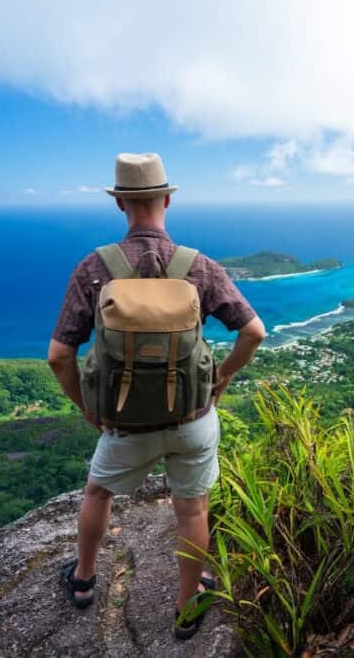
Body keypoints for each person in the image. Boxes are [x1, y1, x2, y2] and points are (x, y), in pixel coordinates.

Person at [46, 152, 266, 639]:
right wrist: (223, 377)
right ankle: (187, 607)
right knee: (192, 509)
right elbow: (254, 332)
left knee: (98, 492)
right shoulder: (198, 267)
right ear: (167, 200)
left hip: (125, 423)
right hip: (192, 417)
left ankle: (83, 578)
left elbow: (59, 356)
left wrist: (89, 408)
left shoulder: (95, 268)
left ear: (120, 203)